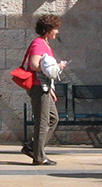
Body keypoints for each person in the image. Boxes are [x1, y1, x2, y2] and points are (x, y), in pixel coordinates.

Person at [20, 14, 67, 166]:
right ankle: (38, 156)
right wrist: (56, 68)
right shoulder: (38, 43)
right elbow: (34, 65)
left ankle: (33, 148)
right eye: (55, 29)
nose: (57, 32)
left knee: (53, 119)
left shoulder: (44, 43)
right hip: (38, 86)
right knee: (42, 121)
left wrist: (50, 87)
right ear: (47, 29)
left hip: (44, 87)